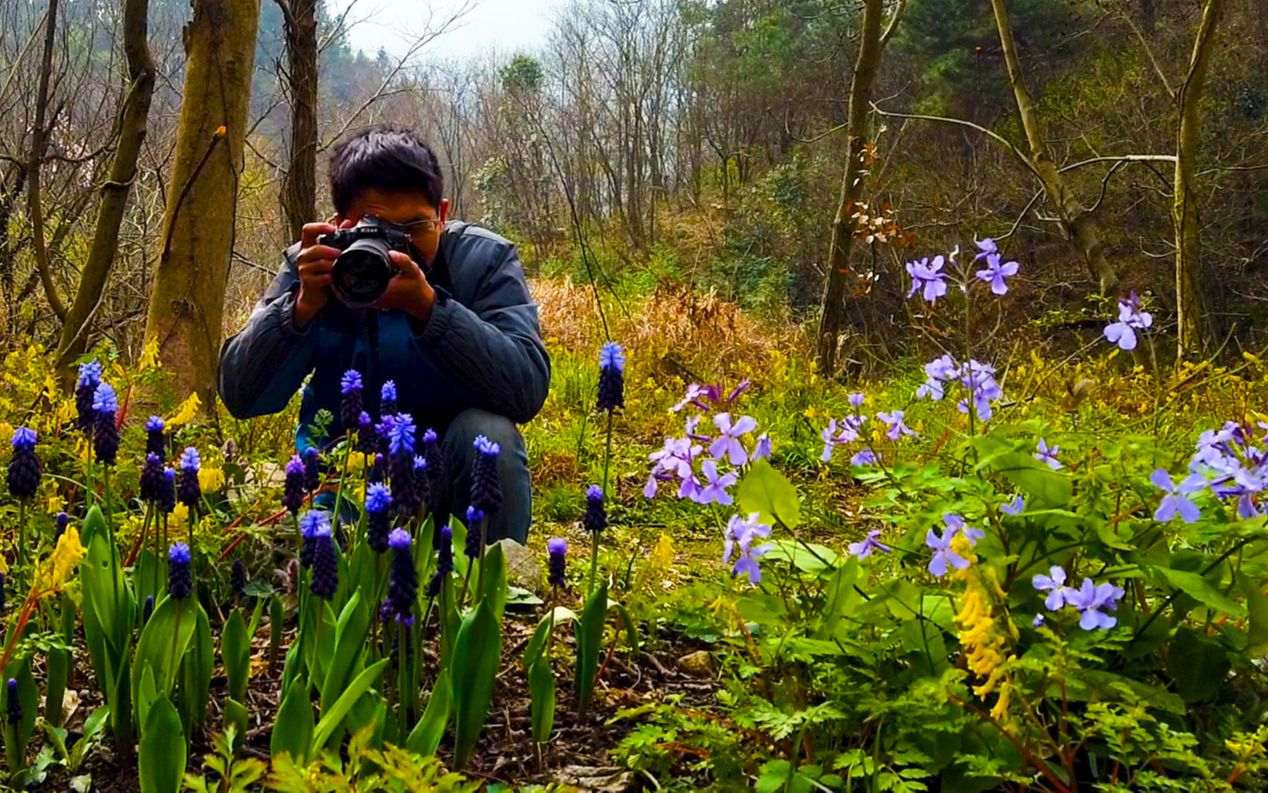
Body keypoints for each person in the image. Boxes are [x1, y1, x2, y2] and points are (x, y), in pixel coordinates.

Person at [218, 125, 549, 544]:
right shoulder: (314, 267)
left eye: (416, 229)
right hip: (344, 485)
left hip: (446, 479)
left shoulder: (482, 260)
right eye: (378, 230)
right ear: (341, 224)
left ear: (443, 214)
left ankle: (491, 588)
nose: (399, 250)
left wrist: (430, 309)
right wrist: (300, 309)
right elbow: (242, 396)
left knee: (490, 435)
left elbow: (525, 388)